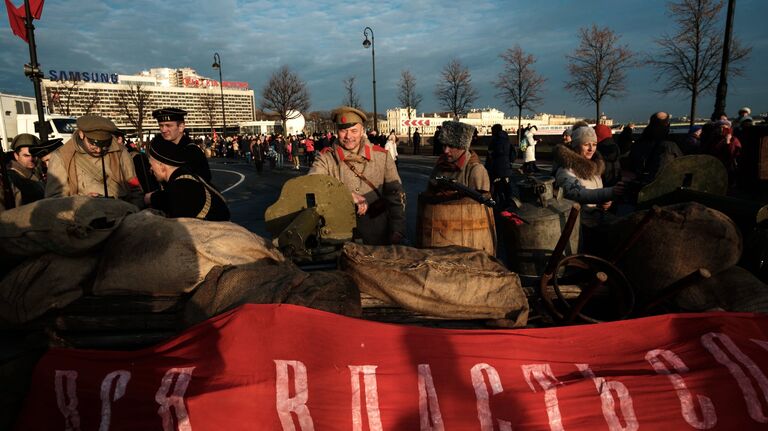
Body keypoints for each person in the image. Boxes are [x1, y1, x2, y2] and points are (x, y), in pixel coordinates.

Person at [308, 106, 406, 245]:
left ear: (362, 131)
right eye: (344, 131)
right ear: (337, 132)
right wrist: (346, 195)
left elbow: (395, 194)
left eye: (354, 131)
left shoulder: (381, 156)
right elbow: (312, 184)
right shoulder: (326, 158)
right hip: (338, 238)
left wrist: (398, 229)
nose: (349, 136)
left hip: (377, 235)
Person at [45, 115, 143, 206]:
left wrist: (133, 211)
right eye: (93, 143)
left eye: (104, 144)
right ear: (81, 134)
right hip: (82, 219)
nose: (99, 150)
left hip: (120, 213)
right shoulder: (61, 157)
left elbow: (135, 189)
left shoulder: (120, 152)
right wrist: (82, 201)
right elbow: (54, 201)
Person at [144, 136, 230, 221]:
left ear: (162, 166)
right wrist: (152, 198)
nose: (150, 168)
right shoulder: (185, 178)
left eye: (151, 164)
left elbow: (181, 228)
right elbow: (167, 196)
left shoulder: (182, 187)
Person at [553, 126, 625, 211]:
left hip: (594, 219)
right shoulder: (565, 170)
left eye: (594, 144)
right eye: (586, 144)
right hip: (577, 221)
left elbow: (595, 194)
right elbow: (579, 193)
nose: (591, 149)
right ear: (576, 146)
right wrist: (609, 193)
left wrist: (604, 203)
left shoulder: (595, 166)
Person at [152, 108, 211, 182]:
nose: (163, 130)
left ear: (181, 127)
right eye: (161, 126)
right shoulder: (161, 149)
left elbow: (202, 180)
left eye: (168, 125)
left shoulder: (193, 152)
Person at [429, 120, 490, 192]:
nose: (446, 151)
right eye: (444, 145)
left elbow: (480, 202)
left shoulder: (475, 170)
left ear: (463, 147)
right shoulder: (439, 165)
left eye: (451, 146)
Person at [627, 112, 682, 183]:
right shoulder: (670, 145)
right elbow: (682, 163)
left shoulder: (638, 143)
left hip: (640, 182)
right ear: (667, 125)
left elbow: (631, 165)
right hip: (662, 184)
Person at [485, 124, 518, 210]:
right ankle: (509, 201)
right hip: (507, 167)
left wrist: (487, 167)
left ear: (495, 131)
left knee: (496, 186)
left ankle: (497, 205)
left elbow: (490, 156)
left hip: (496, 167)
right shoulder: (507, 140)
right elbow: (512, 154)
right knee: (506, 184)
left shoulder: (494, 141)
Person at [6, 133, 45, 205]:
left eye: (34, 155)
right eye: (26, 155)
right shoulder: (11, 177)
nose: (31, 159)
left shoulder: (37, 171)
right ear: (16, 156)